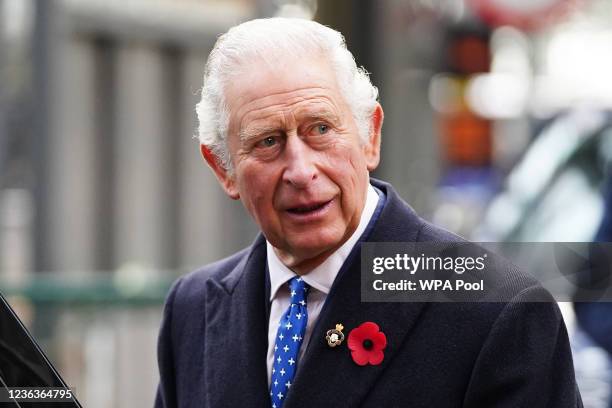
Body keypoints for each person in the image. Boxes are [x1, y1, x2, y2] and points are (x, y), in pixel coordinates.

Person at [154, 18, 582, 408]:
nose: (301, 171)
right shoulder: (192, 310)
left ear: (369, 137)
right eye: (267, 141)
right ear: (223, 168)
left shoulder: (498, 310)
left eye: (320, 129)